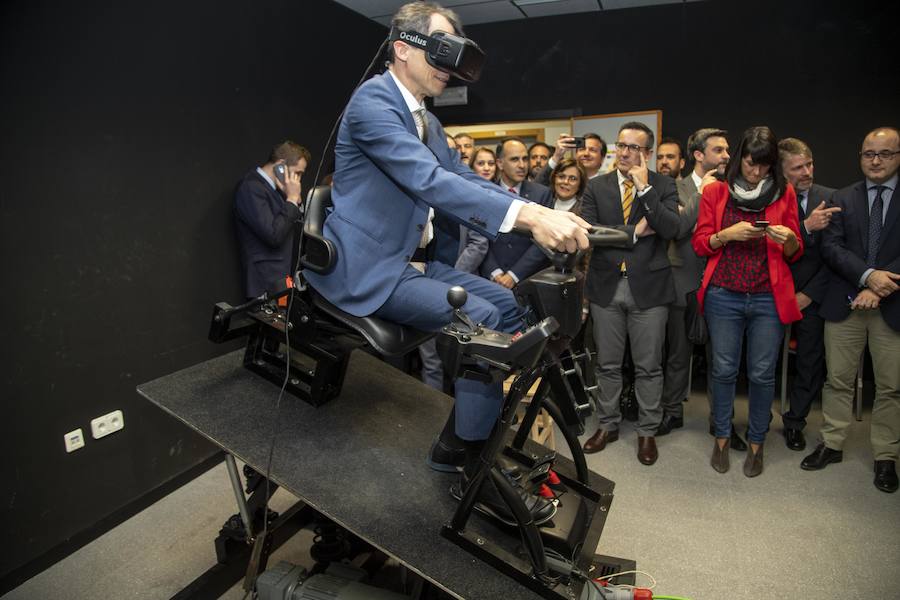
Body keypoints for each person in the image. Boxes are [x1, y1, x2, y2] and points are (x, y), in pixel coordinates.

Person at [301, 2, 591, 524]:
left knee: (510, 305)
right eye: (440, 52)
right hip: (370, 269)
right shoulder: (371, 104)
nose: (449, 67)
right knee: (482, 323)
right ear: (402, 48)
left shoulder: (428, 121)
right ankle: (467, 466)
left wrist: (543, 211)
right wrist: (526, 218)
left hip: (415, 263)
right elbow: (429, 182)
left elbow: (470, 182)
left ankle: (463, 444)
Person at [691, 126, 803, 478]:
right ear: (741, 159)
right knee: (723, 370)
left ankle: (757, 443)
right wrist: (726, 235)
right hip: (724, 294)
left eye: (765, 167)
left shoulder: (784, 194)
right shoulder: (716, 191)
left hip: (768, 297)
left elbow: (795, 252)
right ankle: (722, 437)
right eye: (752, 164)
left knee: (761, 373)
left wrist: (787, 239)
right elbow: (700, 244)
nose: (757, 173)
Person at [802, 126, 900, 494]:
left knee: (891, 386)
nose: (875, 161)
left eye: (885, 154)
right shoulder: (843, 197)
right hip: (846, 302)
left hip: (893, 303)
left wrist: (881, 285)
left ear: (898, 156)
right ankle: (833, 443)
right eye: (868, 154)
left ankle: (886, 456)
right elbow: (832, 248)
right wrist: (867, 276)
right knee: (838, 379)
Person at [579, 122, 680, 466]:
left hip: (650, 291)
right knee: (606, 364)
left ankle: (647, 431)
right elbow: (590, 232)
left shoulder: (664, 185)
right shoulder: (597, 186)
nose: (623, 152)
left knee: (649, 366)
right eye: (620, 145)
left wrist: (644, 190)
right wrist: (634, 233)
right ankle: (607, 425)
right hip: (606, 287)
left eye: (633, 147)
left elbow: (671, 228)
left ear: (646, 153)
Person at [657, 130, 723, 438]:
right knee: (677, 354)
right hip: (680, 281)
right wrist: (701, 195)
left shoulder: (730, 188)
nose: (726, 156)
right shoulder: (673, 188)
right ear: (699, 155)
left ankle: (720, 419)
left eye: (727, 150)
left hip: (721, 283)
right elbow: (679, 229)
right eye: (719, 150)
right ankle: (672, 411)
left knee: (721, 359)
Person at [777, 138, 839, 451]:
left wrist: (808, 294)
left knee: (809, 360)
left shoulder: (831, 198)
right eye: (797, 167)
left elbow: (837, 257)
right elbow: (770, 247)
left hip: (813, 295)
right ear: (782, 171)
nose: (806, 172)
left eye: (809, 164)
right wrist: (806, 226)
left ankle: (795, 422)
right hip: (773, 292)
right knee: (759, 361)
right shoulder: (771, 199)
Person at [234, 141, 310, 298]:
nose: (299, 180)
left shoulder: (278, 192)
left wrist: (296, 201)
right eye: (298, 173)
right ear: (281, 166)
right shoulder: (251, 188)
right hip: (266, 283)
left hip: (283, 282)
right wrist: (292, 199)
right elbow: (273, 235)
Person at [479, 138, 554, 288]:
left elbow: (543, 242)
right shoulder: (485, 193)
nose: (522, 165)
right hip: (491, 280)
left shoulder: (542, 194)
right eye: (515, 159)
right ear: (500, 163)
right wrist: (495, 272)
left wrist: (513, 275)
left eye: (525, 159)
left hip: (530, 280)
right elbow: (478, 238)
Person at [536, 133, 608, 186]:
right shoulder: (564, 181)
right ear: (576, 155)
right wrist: (556, 156)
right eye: (582, 149)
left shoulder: (607, 185)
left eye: (592, 150)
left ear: (602, 158)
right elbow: (537, 187)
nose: (586, 153)